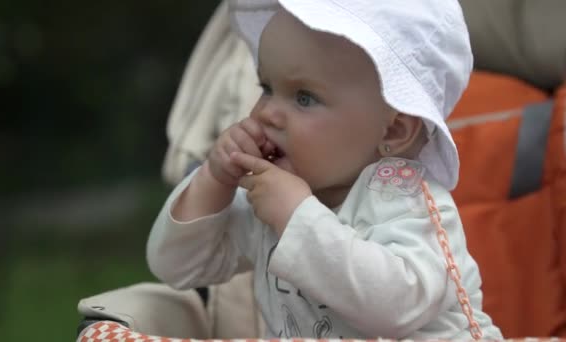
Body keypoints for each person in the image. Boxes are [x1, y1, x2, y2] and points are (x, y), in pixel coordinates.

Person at [146, 0, 503, 339]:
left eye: (304, 97)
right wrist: (214, 180)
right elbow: (178, 266)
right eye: (266, 87)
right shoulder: (272, 197)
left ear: (393, 130)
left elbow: (398, 307)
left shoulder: (404, 199)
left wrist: (298, 217)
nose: (267, 113)